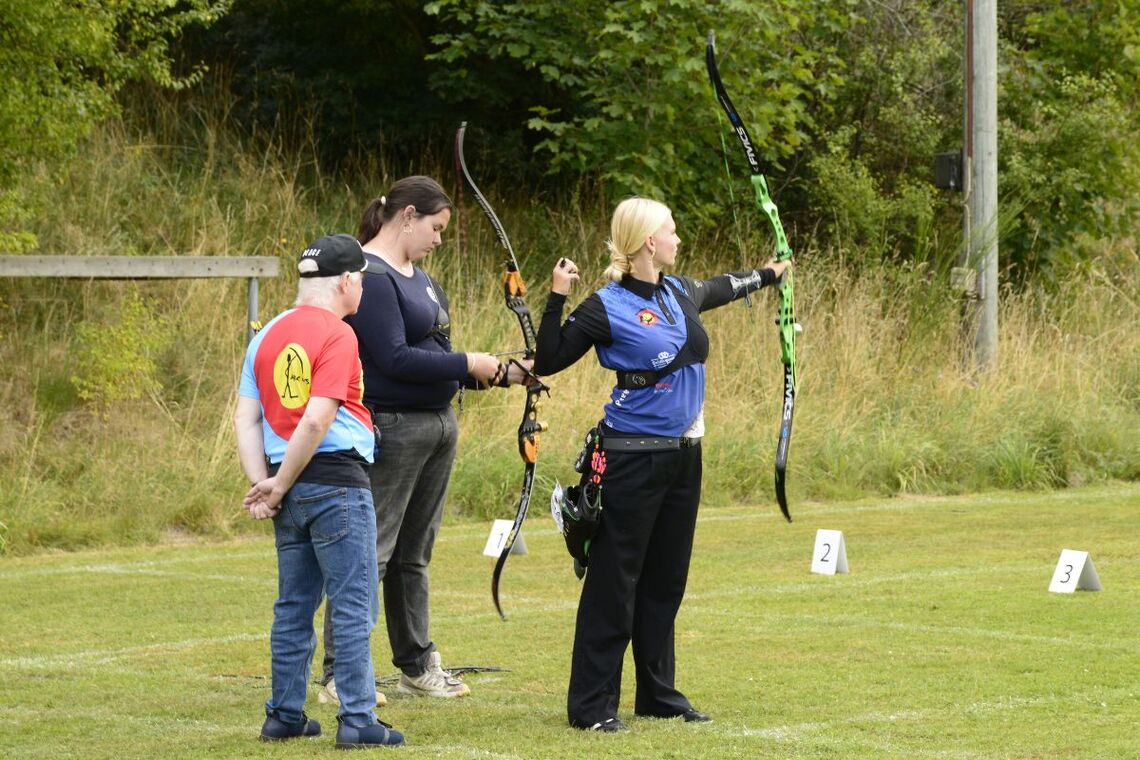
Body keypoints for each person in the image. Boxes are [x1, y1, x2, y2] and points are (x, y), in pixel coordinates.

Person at [533, 197, 791, 732]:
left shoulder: (680, 291)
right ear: (649, 241)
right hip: (629, 458)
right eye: (671, 230)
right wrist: (557, 298)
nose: (678, 239)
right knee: (614, 580)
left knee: (665, 580)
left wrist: (770, 274)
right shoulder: (605, 305)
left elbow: (724, 285)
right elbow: (550, 357)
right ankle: (592, 707)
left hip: (681, 456)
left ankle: (658, 694)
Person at [318, 175, 532, 705]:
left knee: (414, 552)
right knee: (374, 551)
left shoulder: (423, 278)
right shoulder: (371, 274)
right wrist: (466, 363)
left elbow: (438, 354)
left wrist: (503, 373)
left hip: (437, 425)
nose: (439, 238)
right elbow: (392, 359)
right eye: (435, 227)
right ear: (408, 215)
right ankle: (339, 673)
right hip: (391, 427)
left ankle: (415, 664)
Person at [233, 233, 405, 749]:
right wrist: (277, 483)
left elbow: (246, 416)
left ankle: (284, 713)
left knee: (293, 606)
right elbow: (318, 415)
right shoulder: (339, 334)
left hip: (287, 485)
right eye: (363, 283)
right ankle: (357, 719)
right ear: (348, 281)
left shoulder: (265, 334)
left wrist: (265, 484)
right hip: (336, 483)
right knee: (353, 604)